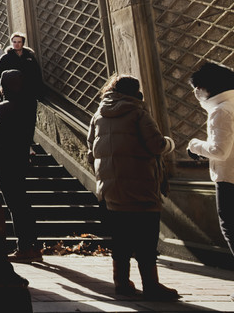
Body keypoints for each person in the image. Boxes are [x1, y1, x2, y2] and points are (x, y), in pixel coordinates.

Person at [87, 74, 179, 300]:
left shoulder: (98, 114)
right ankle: (151, 285)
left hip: (110, 189)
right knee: (146, 238)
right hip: (140, 186)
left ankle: (121, 283)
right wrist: (170, 143)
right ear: (135, 91)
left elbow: (90, 152)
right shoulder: (138, 112)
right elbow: (156, 145)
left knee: (120, 238)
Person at [0, 69, 40, 261]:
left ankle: (24, 247)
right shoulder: (27, 107)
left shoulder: (3, 108)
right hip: (19, 159)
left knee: (15, 205)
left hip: (4, 161)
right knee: (22, 203)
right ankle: (33, 246)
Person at [186, 61, 234, 266]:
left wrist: (194, 145)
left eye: (197, 87)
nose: (196, 92)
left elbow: (219, 151)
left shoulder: (220, 111)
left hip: (229, 178)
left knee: (230, 228)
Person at [0, 32, 45, 106]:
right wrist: (0, 88)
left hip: (28, 92)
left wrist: (39, 92)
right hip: (11, 92)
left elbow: (37, 74)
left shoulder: (30, 57)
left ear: (23, 43)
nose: (16, 44)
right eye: (14, 42)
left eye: (19, 42)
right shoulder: (5, 58)